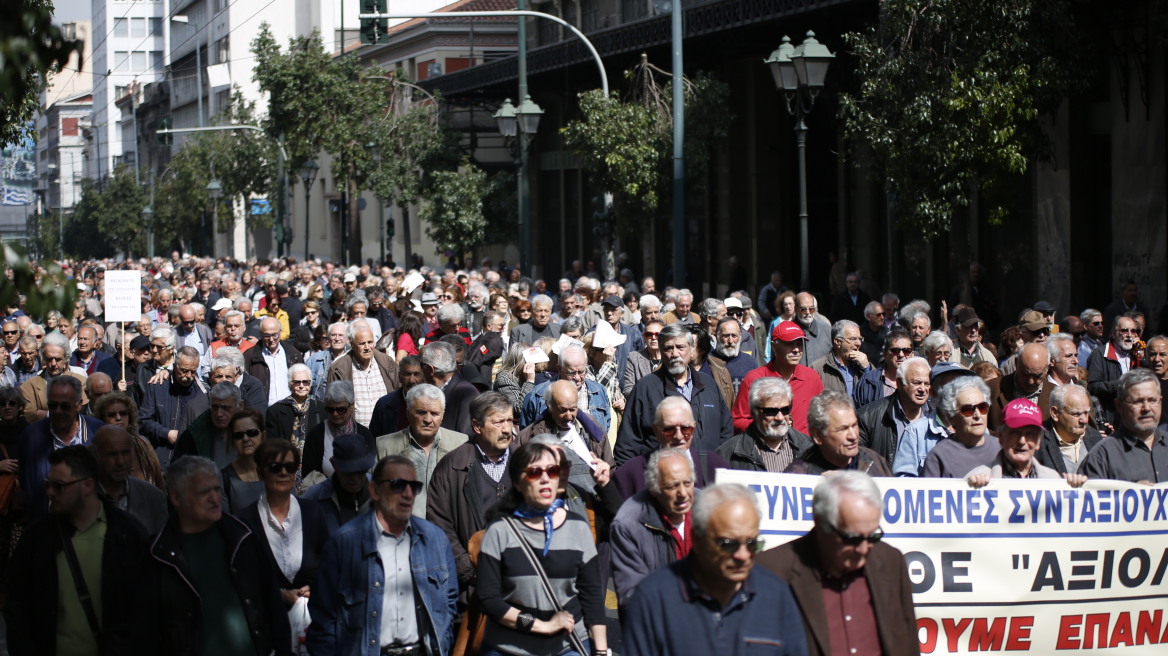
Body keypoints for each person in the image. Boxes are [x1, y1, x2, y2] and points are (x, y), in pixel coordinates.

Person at [622, 483, 807, 656]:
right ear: (698, 538)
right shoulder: (654, 598)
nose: (742, 555)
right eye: (728, 544)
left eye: (752, 544)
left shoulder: (776, 595)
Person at [6, 445, 155, 656]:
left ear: (88, 485)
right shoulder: (36, 539)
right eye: (48, 484)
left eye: (59, 486)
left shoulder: (128, 535)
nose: (50, 492)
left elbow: (146, 612)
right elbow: (18, 606)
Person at [308, 454, 459, 656]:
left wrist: (443, 641)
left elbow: (449, 601)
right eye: (397, 485)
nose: (407, 494)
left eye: (413, 487)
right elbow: (323, 621)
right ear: (375, 491)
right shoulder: (343, 544)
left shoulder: (435, 540)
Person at [756, 471, 920, 656]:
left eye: (873, 536)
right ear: (820, 523)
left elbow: (908, 643)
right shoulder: (771, 572)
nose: (863, 549)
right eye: (851, 538)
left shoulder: (891, 561)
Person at [476, 442, 609, 656]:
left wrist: (601, 651)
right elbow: (488, 599)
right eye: (535, 472)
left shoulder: (578, 526)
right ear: (518, 483)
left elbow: (591, 596)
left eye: (552, 471)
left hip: (568, 647)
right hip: (508, 647)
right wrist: (541, 625)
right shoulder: (499, 530)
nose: (545, 478)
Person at [151, 456, 292, 656]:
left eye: (217, 489)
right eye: (203, 492)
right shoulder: (159, 554)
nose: (215, 498)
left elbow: (272, 604)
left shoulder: (242, 537)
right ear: (176, 498)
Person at [426, 392, 517, 589]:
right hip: (471, 587)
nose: (507, 429)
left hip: (521, 583)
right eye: (498, 422)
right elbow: (439, 523)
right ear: (477, 426)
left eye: (510, 421)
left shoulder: (526, 461)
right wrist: (469, 571)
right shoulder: (452, 467)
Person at [238, 439, 331, 611]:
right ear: (260, 472)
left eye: (290, 467)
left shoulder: (312, 512)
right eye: (275, 467)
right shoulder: (245, 522)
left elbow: (329, 564)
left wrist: (314, 587)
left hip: (311, 623)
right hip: (266, 623)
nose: (283, 473)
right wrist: (278, 594)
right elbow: (243, 579)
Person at [609, 447, 695, 605]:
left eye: (687, 483)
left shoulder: (710, 510)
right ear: (654, 489)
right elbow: (631, 596)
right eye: (672, 486)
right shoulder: (628, 525)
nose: (683, 493)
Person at [17, 375, 104, 523]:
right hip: (45, 528)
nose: (58, 411)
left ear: (79, 405)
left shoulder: (98, 432)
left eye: (65, 406)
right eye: (52, 405)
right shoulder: (32, 436)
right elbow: (26, 482)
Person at [376, 383, 470, 517]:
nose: (428, 419)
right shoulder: (385, 447)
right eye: (421, 412)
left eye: (434, 413)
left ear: (442, 416)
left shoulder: (460, 444)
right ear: (408, 414)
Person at [613, 397, 729, 498]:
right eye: (669, 429)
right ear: (656, 430)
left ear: (694, 427)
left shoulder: (715, 467)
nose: (678, 436)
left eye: (685, 429)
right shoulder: (630, 474)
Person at [965, 399, 1089, 487]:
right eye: (1015, 433)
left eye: (1030, 434)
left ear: (1038, 442)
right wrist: (972, 492)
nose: (1022, 441)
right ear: (1002, 438)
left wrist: (1074, 492)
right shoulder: (978, 478)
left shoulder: (1052, 479)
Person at [732, 320, 824, 436]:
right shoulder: (755, 379)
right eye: (789, 344)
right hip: (765, 450)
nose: (796, 350)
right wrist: (764, 424)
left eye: (799, 344)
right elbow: (736, 422)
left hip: (805, 451)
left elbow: (822, 417)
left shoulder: (812, 377)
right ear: (774, 346)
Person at [1080, 368, 1168, 482]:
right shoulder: (1101, 457)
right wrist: (1129, 496)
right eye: (1137, 401)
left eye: (1152, 400)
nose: (1146, 408)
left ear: (1160, 402)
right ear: (1119, 406)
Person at [785, 391, 892, 476]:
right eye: (843, 429)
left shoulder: (874, 461)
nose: (853, 436)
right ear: (818, 436)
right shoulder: (798, 476)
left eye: (854, 425)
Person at [717, 377, 813, 472]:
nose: (780, 418)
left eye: (785, 410)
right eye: (771, 411)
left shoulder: (810, 449)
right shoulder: (728, 454)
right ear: (754, 413)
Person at [91, 424, 168, 534]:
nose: (120, 461)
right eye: (112, 454)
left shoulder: (153, 498)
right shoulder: (83, 498)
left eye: (125, 453)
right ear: (97, 456)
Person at [857, 356, 932, 467]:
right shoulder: (867, 417)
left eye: (927, 384)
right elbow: (858, 463)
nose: (922, 389)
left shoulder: (936, 418)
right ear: (899, 383)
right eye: (916, 383)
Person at [139, 345, 206, 469]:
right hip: (162, 460)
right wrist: (166, 433)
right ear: (175, 366)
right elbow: (143, 421)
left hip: (191, 464)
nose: (189, 375)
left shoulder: (203, 393)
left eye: (193, 371)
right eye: (184, 370)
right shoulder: (157, 387)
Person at [921, 376, 999, 478]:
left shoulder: (1003, 449)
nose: (977, 415)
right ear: (951, 416)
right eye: (968, 410)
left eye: (982, 407)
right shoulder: (938, 457)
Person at [327, 322, 399, 428]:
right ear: (352, 345)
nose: (367, 347)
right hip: (354, 433)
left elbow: (399, 391)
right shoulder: (339, 368)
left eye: (370, 342)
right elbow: (333, 404)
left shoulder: (386, 362)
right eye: (362, 343)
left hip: (386, 431)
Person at [301, 432, 375, 534]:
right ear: (334, 464)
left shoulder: (383, 493)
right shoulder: (314, 499)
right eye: (348, 473)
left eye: (361, 472)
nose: (355, 479)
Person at [303, 380, 376, 480]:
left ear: (351, 406)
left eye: (341, 409)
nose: (335, 414)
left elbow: (371, 471)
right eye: (330, 409)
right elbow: (308, 475)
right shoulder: (316, 435)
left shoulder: (364, 434)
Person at [20, 332, 88, 422]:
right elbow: (29, 413)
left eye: (58, 359)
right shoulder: (29, 387)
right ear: (43, 358)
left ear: (65, 359)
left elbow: (81, 411)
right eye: (49, 359)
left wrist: (45, 413)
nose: (53, 364)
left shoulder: (81, 382)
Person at [1087, 314, 1141, 427]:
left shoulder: (1137, 354)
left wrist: (1142, 358)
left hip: (1135, 417)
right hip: (1111, 418)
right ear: (1113, 334)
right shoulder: (1100, 354)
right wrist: (1120, 386)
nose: (1130, 335)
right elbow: (1092, 387)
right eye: (1124, 331)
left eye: (1133, 331)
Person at [265, 363, 324, 461]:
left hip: (314, 466)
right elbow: (272, 445)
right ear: (290, 384)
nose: (301, 386)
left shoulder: (320, 408)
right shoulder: (275, 411)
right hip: (286, 464)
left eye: (305, 382)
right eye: (297, 382)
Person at [988, 342, 1052, 431]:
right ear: (1016, 363)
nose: (1030, 381)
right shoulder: (991, 389)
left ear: (1047, 368)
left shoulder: (1056, 396)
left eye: (1037, 376)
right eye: (1025, 374)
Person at [421, 341, 479, 435]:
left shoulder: (467, 394)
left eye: (421, 365)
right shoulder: (429, 391)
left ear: (430, 369)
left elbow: (465, 437)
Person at [246, 316, 305, 407]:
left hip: (288, 409)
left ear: (280, 332)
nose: (271, 339)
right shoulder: (249, 356)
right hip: (262, 411)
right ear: (261, 334)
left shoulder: (294, 354)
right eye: (267, 335)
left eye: (274, 335)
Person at [852, 329, 914, 408]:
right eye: (895, 350)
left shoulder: (921, 381)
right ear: (885, 354)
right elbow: (858, 413)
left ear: (912, 354)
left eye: (906, 351)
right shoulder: (868, 381)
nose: (901, 355)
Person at [369, 355, 425, 437]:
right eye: (407, 374)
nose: (412, 380)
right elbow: (374, 438)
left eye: (417, 374)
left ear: (424, 376)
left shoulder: (433, 402)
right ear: (399, 377)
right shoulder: (384, 405)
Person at [622, 319, 663, 396]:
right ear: (644, 337)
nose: (653, 337)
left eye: (658, 334)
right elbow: (628, 389)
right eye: (649, 334)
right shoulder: (633, 358)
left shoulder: (671, 357)